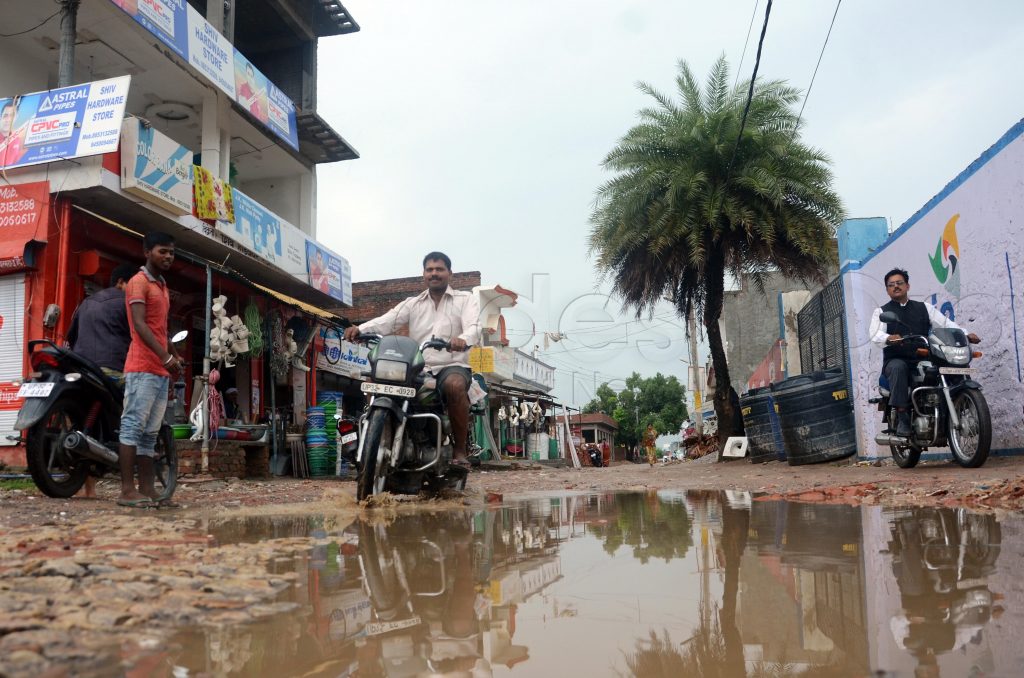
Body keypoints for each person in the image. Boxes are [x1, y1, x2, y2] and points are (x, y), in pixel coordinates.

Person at [344, 251, 480, 467]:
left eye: (439, 269)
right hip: (419, 366)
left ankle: (460, 451)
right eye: (430, 270)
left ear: (449, 273)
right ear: (424, 275)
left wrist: (463, 339)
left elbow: (473, 327)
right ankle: (374, 441)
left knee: (455, 386)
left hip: (451, 364)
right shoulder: (413, 303)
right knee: (377, 383)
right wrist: (360, 329)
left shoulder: (465, 300)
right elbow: (388, 321)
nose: (434, 273)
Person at [868, 267, 980, 438]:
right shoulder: (882, 312)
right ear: (887, 289)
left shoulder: (924, 308)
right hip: (897, 359)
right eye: (891, 285)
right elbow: (875, 334)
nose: (896, 287)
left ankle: (957, 404)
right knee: (898, 367)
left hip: (924, 357)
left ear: (907, 286)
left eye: (899, 283)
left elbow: (945, 324)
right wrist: (889, 338)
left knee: (948, 364)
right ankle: (903, 415)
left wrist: (964, 334)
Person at [117, 232, 183, 507]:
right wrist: (164, 357)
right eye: (162, 251)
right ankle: (126, 491)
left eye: (171, 252)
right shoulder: (138, 282)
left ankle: (147, 489)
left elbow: (160, 329)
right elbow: (140, 325)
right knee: (132, 427)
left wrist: (174, 355)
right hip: (142, 367)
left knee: (149, 434)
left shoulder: (162, 286)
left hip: (159, 370)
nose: (168, 256)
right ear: (147, 252)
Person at [65, 264, 137, 498]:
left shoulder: (86, 303)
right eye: (133, 284)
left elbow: (71, 337)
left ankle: (89, 487)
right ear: (120, 283)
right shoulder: (127, 304)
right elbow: (141, 337)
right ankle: (133, 479)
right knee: (135, 413)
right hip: (113, 370)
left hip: (82, 369)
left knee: (86, 422)